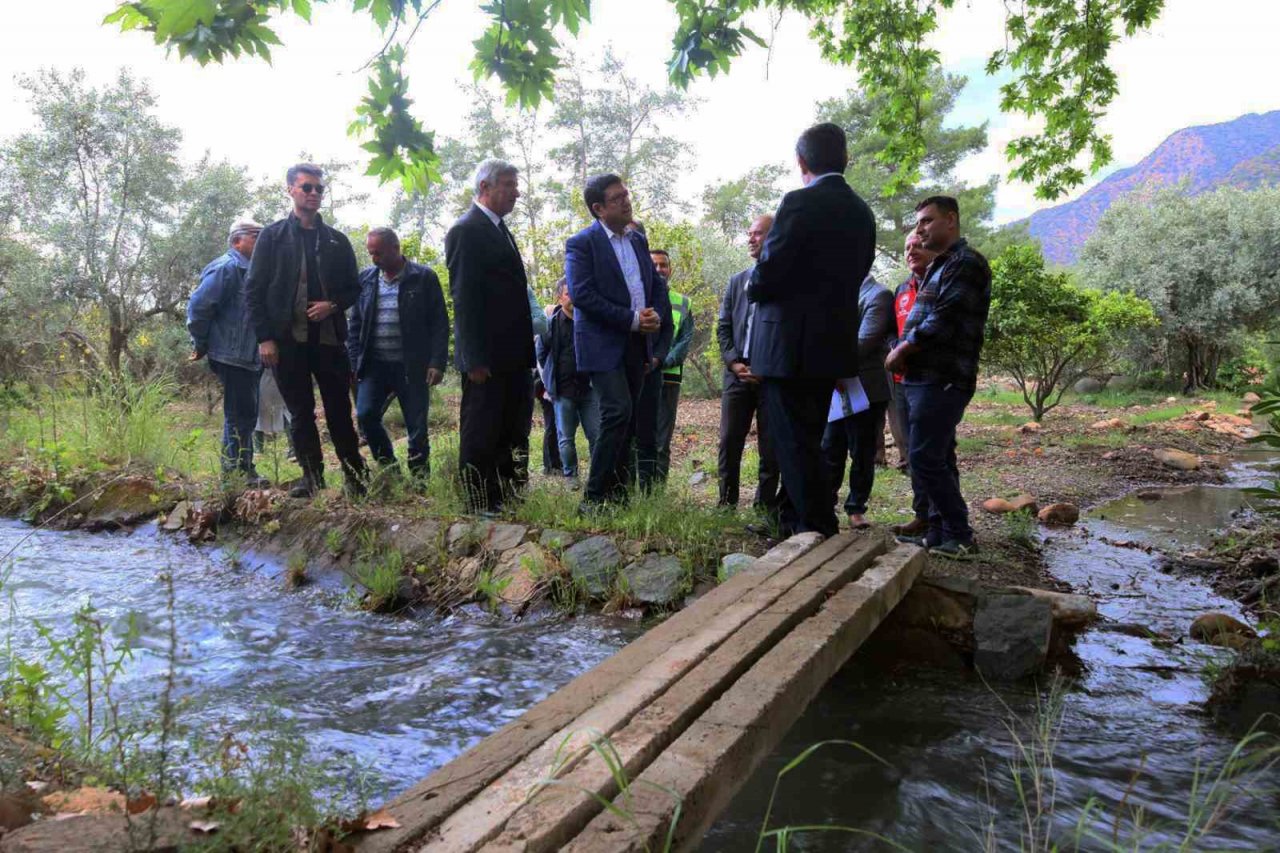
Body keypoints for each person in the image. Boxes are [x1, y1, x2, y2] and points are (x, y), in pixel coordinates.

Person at [747, 123, 876, 537]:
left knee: (793, 442)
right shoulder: (862, 212)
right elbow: (858, 272)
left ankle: (817, 525)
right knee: (811, 437)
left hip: (788, 347)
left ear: (801, 162)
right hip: (832, 345)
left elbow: (771, 273)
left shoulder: (799, 203)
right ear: (846, 160)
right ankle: (795, 520)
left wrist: (754, 283)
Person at [245, 163, 368, 499]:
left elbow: (353, 289)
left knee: (339, 411)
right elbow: (253, 290)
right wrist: (265, 338)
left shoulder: (336, 241)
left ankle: (356, 477)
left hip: (329, 342)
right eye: (307, 187)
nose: (314, 194)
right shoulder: (271, 237)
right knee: (300, 413)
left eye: (319, 189)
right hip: (288, 343)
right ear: (290, 190)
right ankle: (312, 477)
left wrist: (333, 305)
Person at [886, 196, 991, 558]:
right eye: (918, 224)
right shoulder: (940, 266)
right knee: (939, 457)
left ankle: (960, 534)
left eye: (927, 221)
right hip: (921, 379)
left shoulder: (967, 263)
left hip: (943, 377)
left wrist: (901, 350)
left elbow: (942, 320)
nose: (920, 230)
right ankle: (937, 532)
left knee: (925, 458)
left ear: (951, 220)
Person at [565, 174, 671, 508]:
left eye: (626, 194)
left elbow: (653, 284)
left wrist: (654, 316)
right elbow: (582, 294)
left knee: (629, 419)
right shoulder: (582, 243)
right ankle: (593, 498)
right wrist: (632, 319)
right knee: (617, 412)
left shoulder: (638, 239)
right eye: (617, 198)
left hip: (637, 344)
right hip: (602, 344)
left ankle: (619, 495)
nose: (626, 201)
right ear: (598, 209)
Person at [445, 159, 535, 514]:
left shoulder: (499, 229)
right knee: (482, 428)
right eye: (509, 185)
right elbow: (464, 298)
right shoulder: (466, 230)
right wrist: (473, 359)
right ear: (485, 187)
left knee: (513, 427)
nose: (516, 192)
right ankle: (478, 500)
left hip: (513, 355)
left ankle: (508, 495)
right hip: (487, 357)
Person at [346, 226, 448, 484]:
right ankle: (389, 469)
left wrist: (437, 362)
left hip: (412, 366)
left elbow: (439, 322)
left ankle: (420, 479)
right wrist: (354, 361)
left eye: (378, 253)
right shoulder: (367, 279)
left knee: (416, 425)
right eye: (371, 253)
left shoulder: (422, 277)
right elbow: (355, 323)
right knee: (367, 414)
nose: (374, 259)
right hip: (374, 366)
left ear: (395, 248)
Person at [187, 220, 269, 487]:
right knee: (238, 414)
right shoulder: (227, 268)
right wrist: (200, 344)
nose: (261, 241)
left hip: (249, 356)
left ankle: (243, 469)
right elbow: (198, 308)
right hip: (230, 355)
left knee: (247, 413)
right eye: (256, 237)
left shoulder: (251, 270)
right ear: (237, 241)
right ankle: (234, 474)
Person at [716, 214, 780, 515]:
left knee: (771, 444)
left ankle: (764, 505)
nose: (751, 239)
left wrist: (766, 367)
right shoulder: (736, 282)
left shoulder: (785, 281)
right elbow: (723, 327)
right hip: (737, 375)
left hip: (771, 377)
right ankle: (726, 501)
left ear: (774, 235)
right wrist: (733, 363)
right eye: (749, 234)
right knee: (729, 440)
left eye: (758, 233)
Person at [820, 273, 894, 529]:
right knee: (830, 447)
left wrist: (832, 365)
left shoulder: (879, 295)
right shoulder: (835, 292)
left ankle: (855, 508)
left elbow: (865, 341)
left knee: (862, 452)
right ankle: (826, 504)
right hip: (836, 387)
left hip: (866, 388)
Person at [889, 232, 939, 537]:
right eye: (906, 247)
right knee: (911, 451)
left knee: (932, 451)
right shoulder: (900, 290)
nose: (911, 251)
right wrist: (894, 348)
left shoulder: (941, 283)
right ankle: (922, 514)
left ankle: (940, 517)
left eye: (917, 245)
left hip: (930, 381)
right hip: (900, 382)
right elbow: (890, 332)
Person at [538, 278, 600, 481]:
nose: (573, 297)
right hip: (562, 390)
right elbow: (541, 353)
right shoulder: (551, 325)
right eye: (568, 293)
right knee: (565, 438)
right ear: (559, 297)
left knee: (596, 434)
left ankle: (597, 475)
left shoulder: (590, 323)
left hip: (589, 388)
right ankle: (570, 476)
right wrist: (549, 380)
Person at [650, 249, 694, 484]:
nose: (659, 269)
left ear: (670, 269)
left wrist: (660, 361)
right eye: (654, 265)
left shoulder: (683, 302)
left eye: (663, 265)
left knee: (662, 437)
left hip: (668, 378)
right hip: (641, 377)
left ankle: (658, 489)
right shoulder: (637, 298)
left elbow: (684, 341)